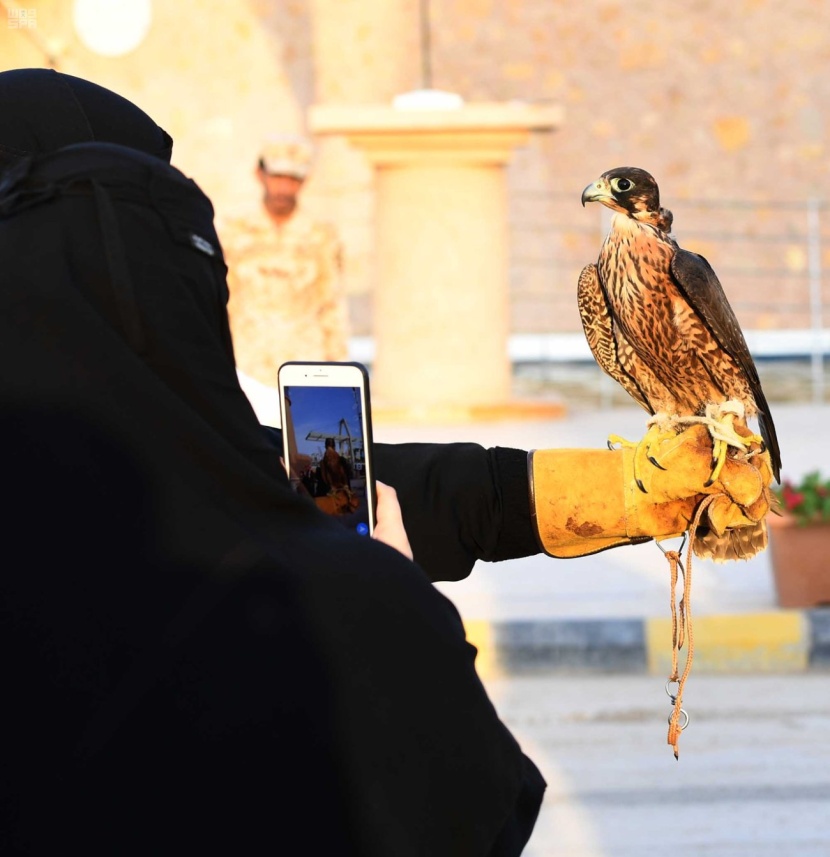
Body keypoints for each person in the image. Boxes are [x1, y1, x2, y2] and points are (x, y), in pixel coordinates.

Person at [0, 68, 774, 856]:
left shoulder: (133, 466)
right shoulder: (316, 615)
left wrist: (619, 492)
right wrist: (389, 600)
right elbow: (468, 808)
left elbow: (341, 484)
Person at [220, 134, 349, 387]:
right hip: (246, 361)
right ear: (260, 175)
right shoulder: (233, 233)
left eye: (293, 179)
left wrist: (339, 367)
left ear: (304, 181)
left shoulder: (321, 236)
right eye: (277, 177)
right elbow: (220, 298)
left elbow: (331, 303)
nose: (283, 188)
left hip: (305, 361)